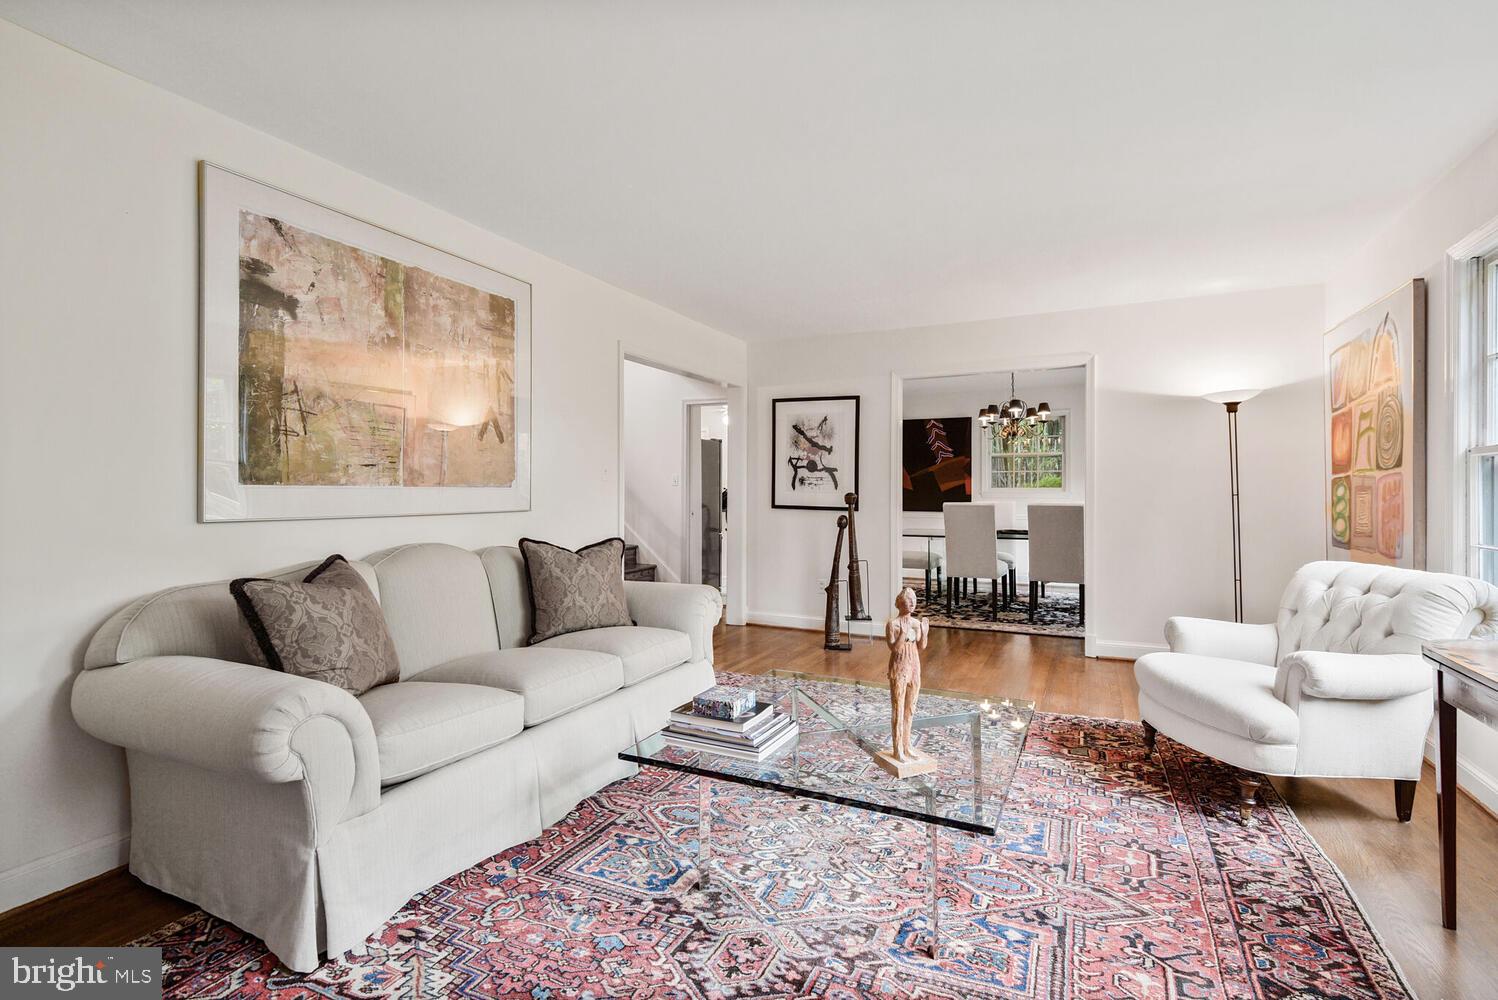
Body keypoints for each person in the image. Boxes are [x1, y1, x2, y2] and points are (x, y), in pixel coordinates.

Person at [885, 587, 930, 761]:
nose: (912, 603)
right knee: (898, 708)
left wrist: (924, 633)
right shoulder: (893, 624)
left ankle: (907, 745)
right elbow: (894, 649)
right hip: (899, 666)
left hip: (914, 665)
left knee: (910, 708)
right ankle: (897, 749)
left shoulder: (916, 624)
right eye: (908, 599)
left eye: (914, 600)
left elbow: (921, 647)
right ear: (899, 603)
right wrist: (903, 633)